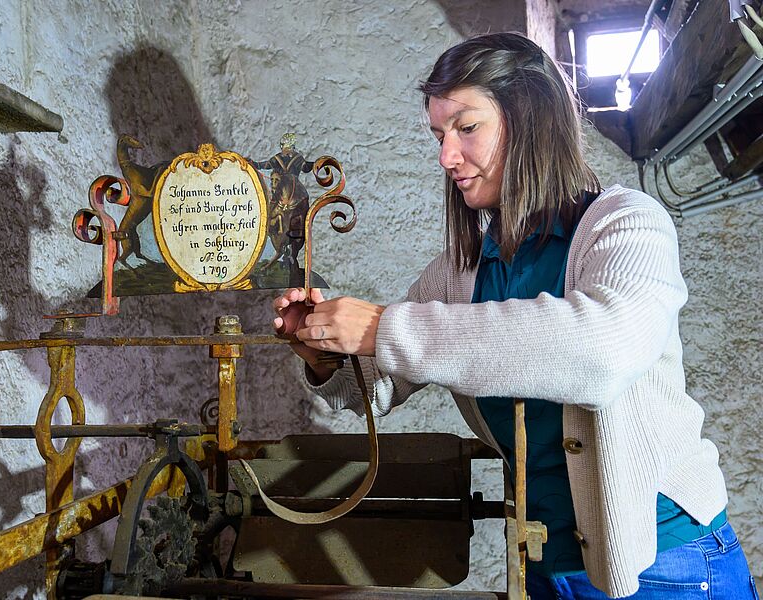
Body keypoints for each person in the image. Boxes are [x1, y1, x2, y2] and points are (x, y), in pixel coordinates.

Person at [271, 33, 757, 599]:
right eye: (438, 136)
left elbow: (600, 354)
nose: (446, 157)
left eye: (466, 129)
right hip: (544, 565)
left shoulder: (626, 225)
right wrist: (326, 354)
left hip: (668, 561)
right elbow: (378, 384)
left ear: (531, 120)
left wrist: (384, 329)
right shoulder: (461, 269)